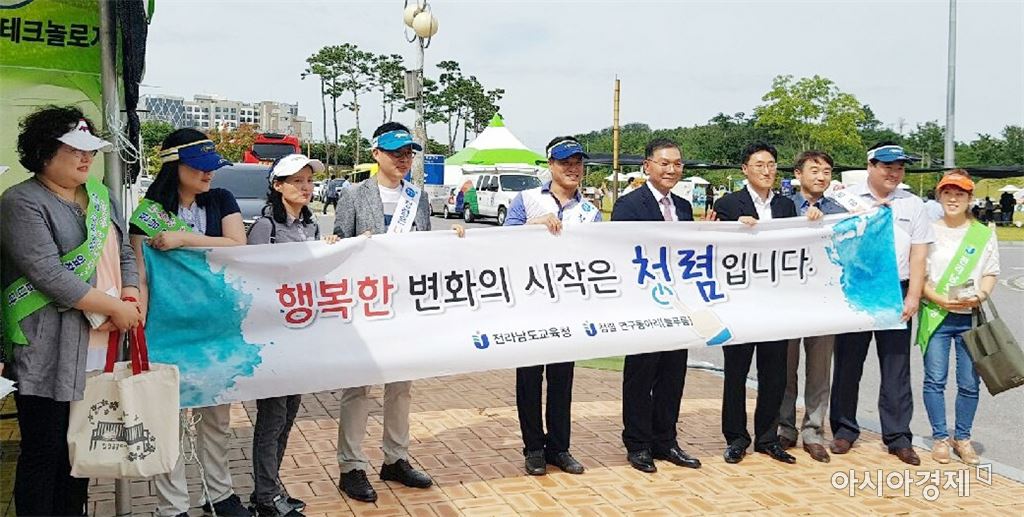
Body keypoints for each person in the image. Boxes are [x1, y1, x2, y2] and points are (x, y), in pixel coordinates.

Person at [2, 106, 143, 516]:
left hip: (101, 343)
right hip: (48, 347)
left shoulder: (100, 195)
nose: (86, 158)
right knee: (44, 451)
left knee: (82, 451)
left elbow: (125, 254)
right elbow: (48, 274)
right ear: (44, 151)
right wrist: (115, 307)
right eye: (75, 149)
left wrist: (130, 296)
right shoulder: (21, 202)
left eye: (90, 150)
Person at [129, 128, 251, 517]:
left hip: (215, 328)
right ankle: (172, 506)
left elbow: (238, 245)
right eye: (199, 166)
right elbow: (140, 274)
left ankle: (220, 495)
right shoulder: (147, 214)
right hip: (166, 329)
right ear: (173, 166)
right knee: (166, 419)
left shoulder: (221, 199)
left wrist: (183, 239)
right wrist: (138, 326)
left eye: (211, 166)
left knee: (216, 417)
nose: (208, 173)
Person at [332, 122, 437, 503]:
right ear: (376, 154)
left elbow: (427, 247)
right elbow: (338, 243)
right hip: (365, 303)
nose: (403, 160)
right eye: (396, 153)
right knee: (358, 387)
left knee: (401, 386)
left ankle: (396, 457)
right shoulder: (353, 194)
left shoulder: (417, 197)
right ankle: (351, 465)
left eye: (408, 153)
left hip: (404, 304)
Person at [245, 154, 340, 516]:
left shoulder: (311, 226)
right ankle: (266, 496)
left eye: (309, 181)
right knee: (271, 419)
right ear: (277, 186)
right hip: (272, 338)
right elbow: (251, 276)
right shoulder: (265, 227)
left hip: (300, 336)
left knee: (287, 416)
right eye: (296, 181)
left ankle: (270, 490)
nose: (305, 187)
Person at [829, 142, 934, 466]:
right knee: (848, 363)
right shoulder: (846, 199)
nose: (894, 173)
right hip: (858, 290)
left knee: (896, 367)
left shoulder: (913, 204)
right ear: (870, 166)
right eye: (888, 166)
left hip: (896, 290)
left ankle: (898, 437)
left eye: (900, 167)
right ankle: (844, 430)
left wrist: (913, 295)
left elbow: (919, 254)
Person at [505, 136, 600, 476]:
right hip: (530, 304)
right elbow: (501, 243)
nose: (573, 169)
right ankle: (533, 448)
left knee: (562, 380)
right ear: (550, 165)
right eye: (565, 162)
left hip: (568, 307)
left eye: (578, 163)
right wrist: (532, 226)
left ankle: (559, 448)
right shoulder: (527, 199)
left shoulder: (590, 212)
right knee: (529, 380)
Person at [612, 138, 701, 474]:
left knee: (672, 376)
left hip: (678, 307)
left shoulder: (684, 207)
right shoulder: (629, 206)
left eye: (677, 164)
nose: (671, 169)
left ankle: (666, 440)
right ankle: (638, 444)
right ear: (647, 165)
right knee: (641, 376)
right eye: (664, 163)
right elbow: (623, 254)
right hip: (643, 305)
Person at [711, 142, 797, 465]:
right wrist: (735, 230)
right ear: (745, 169)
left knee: (774, 374)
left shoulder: (786, 206)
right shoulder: (728, 204)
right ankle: (736, 437)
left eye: (771, 164)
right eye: (759, 164)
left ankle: (767, 438)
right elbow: (714, 246)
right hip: (739, 303)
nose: (766, 170)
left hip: (776, 304)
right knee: (736, 373)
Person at [918, 171, 999, 466]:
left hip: (970, 318)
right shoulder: (927, 231)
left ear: (969, 198)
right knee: (935, 379)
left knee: (969, 383)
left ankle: (962, 438)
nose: (953, 199)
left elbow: (991, 272)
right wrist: (938, 299)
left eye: (960, 194)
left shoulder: (983, 233)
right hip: (936, 315)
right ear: (939, 196)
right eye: (948, 193)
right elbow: (919, 274)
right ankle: (940, 437)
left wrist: (982, 295)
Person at [776, 150, 846, 464]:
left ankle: (814, 432)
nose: (821, 177)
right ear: (798, 174)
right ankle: (785, 428)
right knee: (784, 369)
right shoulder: (782, 207)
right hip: (788, 301)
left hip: (823, 302)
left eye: (827, 171)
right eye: (814, 170)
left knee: (819, 371)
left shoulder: (839, 212)